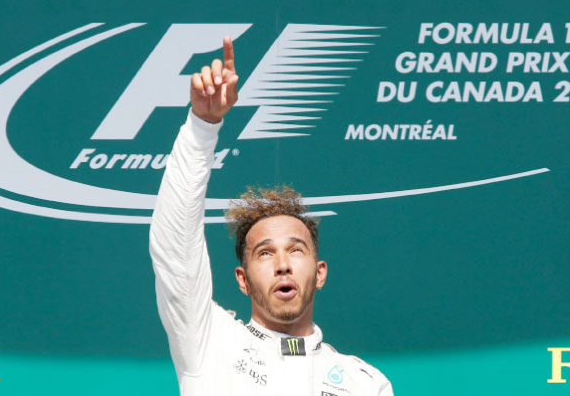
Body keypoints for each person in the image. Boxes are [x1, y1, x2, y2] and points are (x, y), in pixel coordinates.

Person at [149, 36, 394, 396]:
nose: (282, 264)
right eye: (264, 253)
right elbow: (174, 251)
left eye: (296, 250)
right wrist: (202, 125)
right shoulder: (209, 342)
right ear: (243, 280)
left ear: (320, 272)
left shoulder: (364, 383)